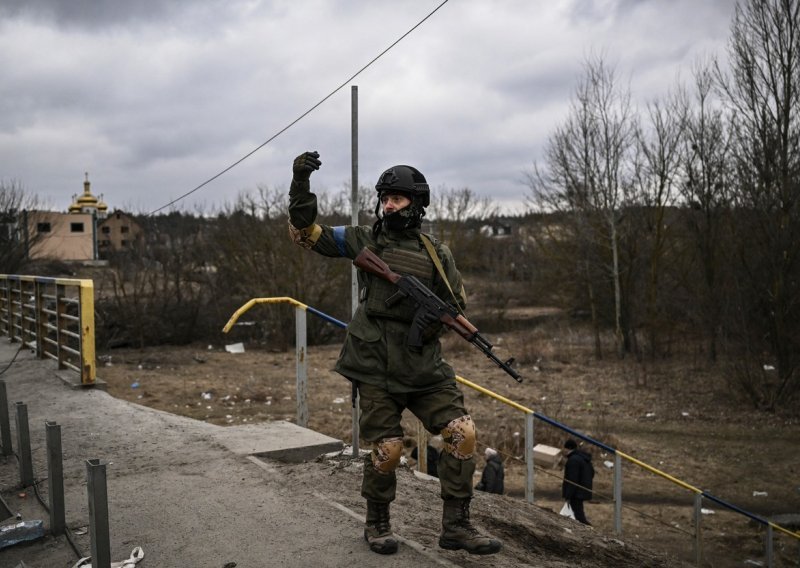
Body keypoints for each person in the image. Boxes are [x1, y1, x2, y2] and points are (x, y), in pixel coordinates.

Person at [288, 151, 502, 556]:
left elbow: (455, 305)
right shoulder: (362, 241)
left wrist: (432, 318)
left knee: (463, 434)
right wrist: (301, 183)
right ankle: (377, 523)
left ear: (416, 204)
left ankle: (456, 525)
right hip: (374, 365)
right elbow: (305, 233)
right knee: (387, 448)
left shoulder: (437, 253)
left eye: (398, 198)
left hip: (424, 367)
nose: (389, 204)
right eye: (385, 197)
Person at [561, 438, 594, 525]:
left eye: (564, 448)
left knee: (578, 515)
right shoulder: (584, 458)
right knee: (578, 512)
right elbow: (592, 473)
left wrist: (568, 495)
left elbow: (572, 479)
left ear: (568, 448)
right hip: (583, 489)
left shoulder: (573, 460)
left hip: (576, 492)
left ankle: (588, 529)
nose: (563, 450)